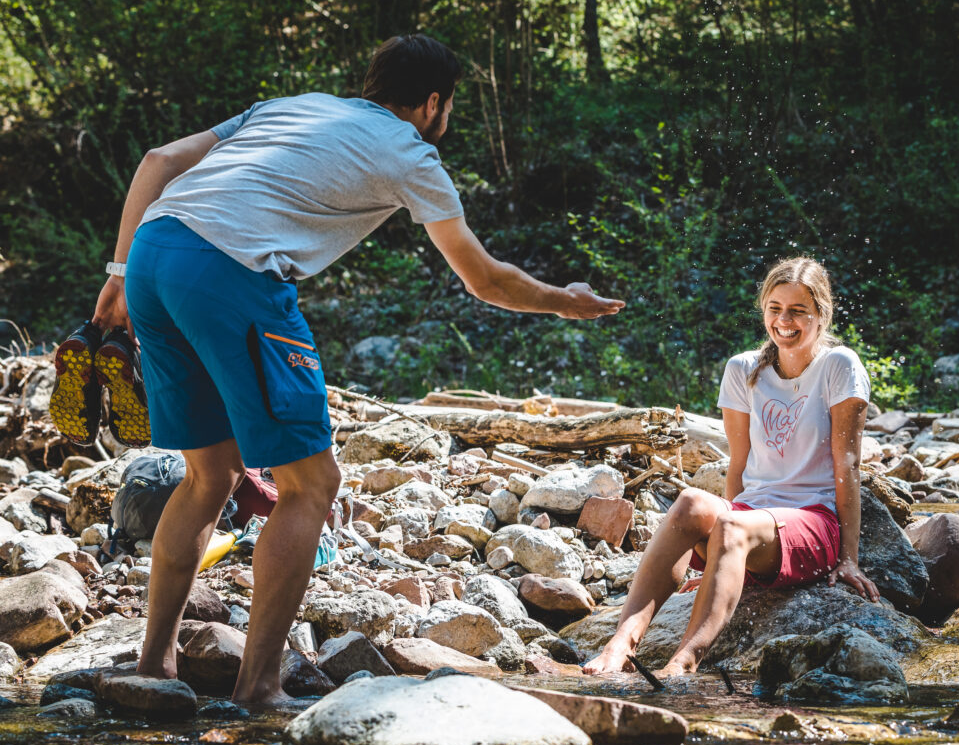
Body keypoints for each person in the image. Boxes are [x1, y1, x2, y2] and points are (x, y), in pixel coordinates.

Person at [88, 34, 624, 706]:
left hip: (152, 253)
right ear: (433, 104)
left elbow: (158, 159)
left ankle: (154, 666)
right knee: (311, 485)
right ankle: (259, 687)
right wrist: (563, 303)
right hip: (230, 271)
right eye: (448, 106)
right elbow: (484, 279)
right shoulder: (411, 152)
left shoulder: (291, 105)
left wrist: (116, 272)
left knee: (209, 475)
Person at [583, 256, 876, 677]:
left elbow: (846, 464)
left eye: (798, 311)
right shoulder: (742, 369)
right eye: (775, 309)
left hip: (813, 523)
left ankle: (683, 662)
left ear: (821, 314)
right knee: (689, 502)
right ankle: (620, 645)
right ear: (763, 310)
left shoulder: (839, 366)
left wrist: (849, 558)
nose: (785, 321)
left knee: (732, 527)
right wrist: (724, 561)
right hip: (751, 520)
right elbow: (738, 465)